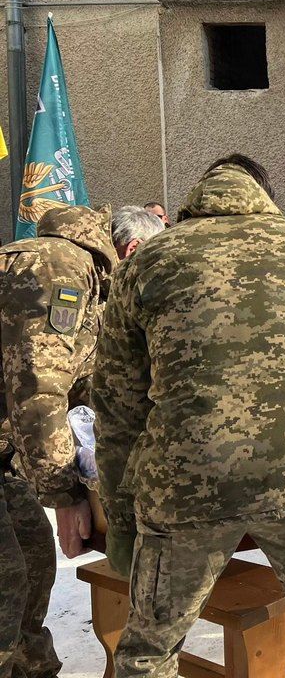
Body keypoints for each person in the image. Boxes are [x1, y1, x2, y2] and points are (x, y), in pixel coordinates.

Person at [92, 155, 285, 676]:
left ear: (198, 193)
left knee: (152, 647)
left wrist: (120, 515)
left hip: (187, 482)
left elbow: (116, 404)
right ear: (263, 193)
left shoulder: (150, 259)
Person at [1, 204, 117, 678]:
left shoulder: (45, 260)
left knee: (31, 563)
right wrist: (65, 492)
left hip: (7, 455)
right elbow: (39, 385)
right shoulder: (60, 269)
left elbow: (80, 389)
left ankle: (32, 668)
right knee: (8, 586)